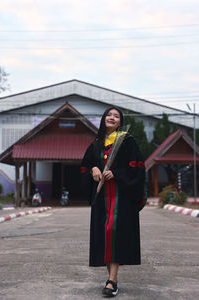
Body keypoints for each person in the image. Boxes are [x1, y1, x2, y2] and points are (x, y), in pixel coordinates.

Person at [80, 106, 146, 297]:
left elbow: (137, 168)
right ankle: (112, 279)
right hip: (102, 199)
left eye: (116, 116)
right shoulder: (96, 144)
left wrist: (116, 173)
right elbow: (84, 166)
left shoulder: (127, 142)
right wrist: (93, 168)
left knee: (113, 232)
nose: (112, 117)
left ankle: (112, 280)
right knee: (105, 235)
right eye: (109, 114)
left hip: (121, 199)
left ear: (120, 122)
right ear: (103, 119)